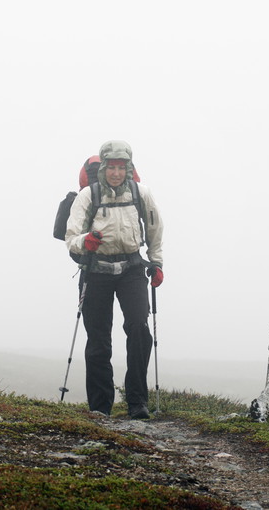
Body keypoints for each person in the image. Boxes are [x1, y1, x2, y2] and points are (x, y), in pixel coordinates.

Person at [64, 140, 164, 419]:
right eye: (112, 167)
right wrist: (87, 241)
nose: (117, 173)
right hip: (95, 271)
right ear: (104, 167)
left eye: (122, 167)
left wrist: (156, 263)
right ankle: (100, 406)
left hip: (132, 269)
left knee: (139, 328)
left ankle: (137, 401)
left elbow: (155, 230)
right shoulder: (88, 196)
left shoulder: (140, 193)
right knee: (98, 339)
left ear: (129, 168)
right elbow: (71, 239)